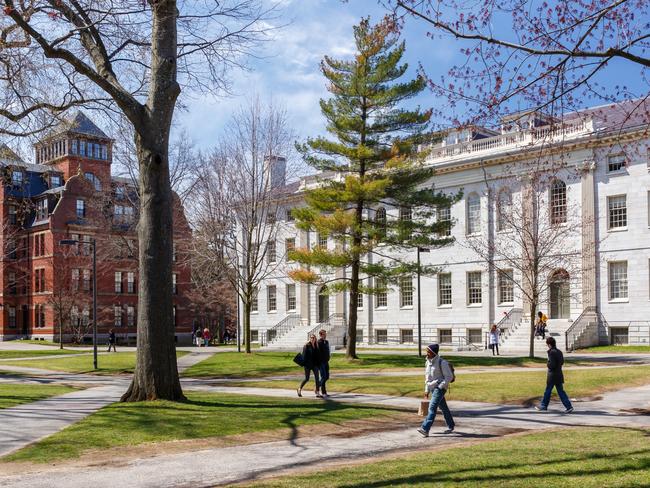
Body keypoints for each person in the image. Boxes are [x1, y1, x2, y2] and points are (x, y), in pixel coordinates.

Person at [417, 343, 455, 437]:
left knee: (432, 407)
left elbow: (449, 377)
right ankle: (451, 425)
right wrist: (426, 390)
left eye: (428, 351)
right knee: (444, 408)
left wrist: (441, 386)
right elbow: (427, 378)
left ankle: (425, 428)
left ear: (433, 352)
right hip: (432, 388)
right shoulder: (427, 362)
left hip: (439, 388)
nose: (426, 353)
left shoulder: (442, 362)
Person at [535, 336, 574, 413]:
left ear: (549, 344)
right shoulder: (559, 352)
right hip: (559, 374)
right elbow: (562, 362)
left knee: (548, 391)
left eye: (547, 344)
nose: (547, 346)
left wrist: (548, 364)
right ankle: (568, 406)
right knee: (561, 391)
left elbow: (552, 365)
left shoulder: (551, 352)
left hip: (552, 376)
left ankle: (543, 406)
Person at [297, 334, 321, 398]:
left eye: (314, 338)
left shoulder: (316, 346)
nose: (312, 339)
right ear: (310, 339)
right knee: (307, 379)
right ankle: (299, 389)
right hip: (307, 365)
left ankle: (317, 392)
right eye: (311, 338)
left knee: (317, 378)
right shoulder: (306, 346)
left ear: (315, 339)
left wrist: (319, 364)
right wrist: (303, 364)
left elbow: (317, 356)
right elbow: (304, 356)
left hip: (315, 365)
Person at [317, 329, 331, 397]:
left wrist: (328, 357)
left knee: (327, 377)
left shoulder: (327, 342)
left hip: (326, 362)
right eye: (324, 334)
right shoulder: (319, 342)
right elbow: (317, 353)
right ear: (320, 335)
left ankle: (323, 392)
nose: (325, 335)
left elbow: (327, 351)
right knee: (323, 377)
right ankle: (319, 389)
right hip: (321, 362)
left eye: (325, 334)